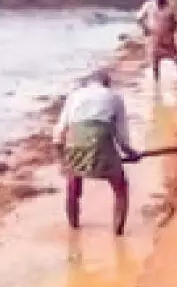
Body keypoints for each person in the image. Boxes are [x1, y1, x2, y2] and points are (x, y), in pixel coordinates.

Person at [52, 69, 139, 236]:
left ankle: (74, 227)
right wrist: (130, 153)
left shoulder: (74, 96)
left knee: (73, 180)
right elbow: (121, 136)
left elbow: (60, 131)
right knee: (120, 186)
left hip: (75, 141)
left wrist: (61, 158)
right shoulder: (115, 97)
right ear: (107, 83)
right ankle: (118, 230)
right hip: (101, 141)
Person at [136, 0, 177, 83]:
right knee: (155, 63)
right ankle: (156, 84)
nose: (160, 1)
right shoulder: (149, 5)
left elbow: (175, 22)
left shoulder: (170, 7)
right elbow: (139, 18)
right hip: (154, 38)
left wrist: (172, 31)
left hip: (167, 39)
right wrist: (145, 29)